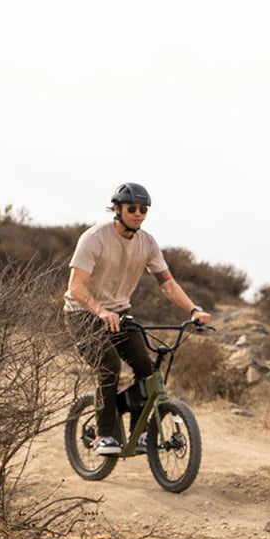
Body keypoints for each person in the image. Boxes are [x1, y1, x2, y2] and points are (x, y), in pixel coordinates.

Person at [63, 183, 210, 456]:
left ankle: (140, 433)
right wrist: (101, 312)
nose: (138, 214)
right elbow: (76, 287)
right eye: (132, 208)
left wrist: (193, 310)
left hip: (118, 314)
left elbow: (167, 284)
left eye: (144, 209)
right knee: (109, 366)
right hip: (82, 313)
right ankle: (103, 435)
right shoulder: (94, 238)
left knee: (146, 369)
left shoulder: (148, 243)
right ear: (117, 209)